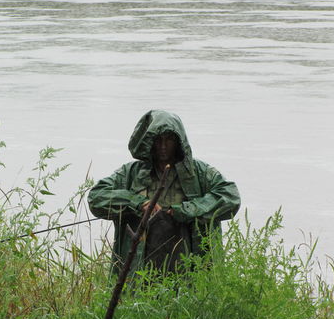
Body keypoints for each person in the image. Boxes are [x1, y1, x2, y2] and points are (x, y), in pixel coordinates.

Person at [87, 110, 240, 274]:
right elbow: (96, 197)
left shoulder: (199, 173)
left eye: (169, 139)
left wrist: (186, 210)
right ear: (149, 141)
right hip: (140, 271)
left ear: (179, 142)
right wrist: (138, 203)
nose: (163, 146)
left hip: (190, 269)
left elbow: (230, 197)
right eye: (158, 139)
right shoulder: (131, 173)